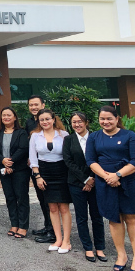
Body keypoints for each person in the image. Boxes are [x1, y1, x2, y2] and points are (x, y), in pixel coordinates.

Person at [86, 106, 135, 271]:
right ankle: (121, 255)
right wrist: (108, 177)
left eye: (109, 118)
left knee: (131, 218)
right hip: (104, 182)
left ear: (117, 119)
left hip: (128, 181)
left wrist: (118, 175)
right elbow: (91, 160)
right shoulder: (94, 137)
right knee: (114, 219)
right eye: (102, 119)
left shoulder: (129, 135)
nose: (105, 122)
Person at [63, 112, 106, 262]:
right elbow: (68, 162)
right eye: (74, 122)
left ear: (86, 122)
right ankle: (88, 248)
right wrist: (85, 179)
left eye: (80, 122)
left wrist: (92, 179)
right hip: (76, 184)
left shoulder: (96, 137)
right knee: (81, 218)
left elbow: (101, 158)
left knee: (97, 217)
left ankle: (100, 248)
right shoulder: (68, 139)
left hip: (96, 182)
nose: (77, 125)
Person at [29, 109, 71, 253]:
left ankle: (67, 241)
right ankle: (58, 239)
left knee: (64, 208)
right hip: (44, 173)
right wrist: (38, 176)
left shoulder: (64, 135)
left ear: (53, 119)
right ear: (39, 122)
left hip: (62, 172)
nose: (45, 122)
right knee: (52, 208)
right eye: (42, 120)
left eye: (47, 119)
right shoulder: (35, 136)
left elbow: (69, 156)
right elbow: (33, 159)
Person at [0, 107, 30, 239]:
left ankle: (23, 226)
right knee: (10, 197)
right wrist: (2, 160)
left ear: (14, 117)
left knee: (21, 197)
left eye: (9, 115)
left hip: (19, 170)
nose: (6, 117)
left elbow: (23, 149)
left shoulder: (21, 133)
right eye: (4, 115)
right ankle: (14, 224)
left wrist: (11, 162)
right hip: (4, 169)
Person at [25, 95, 54, 243]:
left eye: (36, 104)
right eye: (31, 105)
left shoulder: (49, 121)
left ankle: (53, 231)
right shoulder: (29, 122)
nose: (33, 107)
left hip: (50, 166)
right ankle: (48, 226)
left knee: (50, 199)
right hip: (35, 166)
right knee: (41, 198)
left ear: (43, 105)